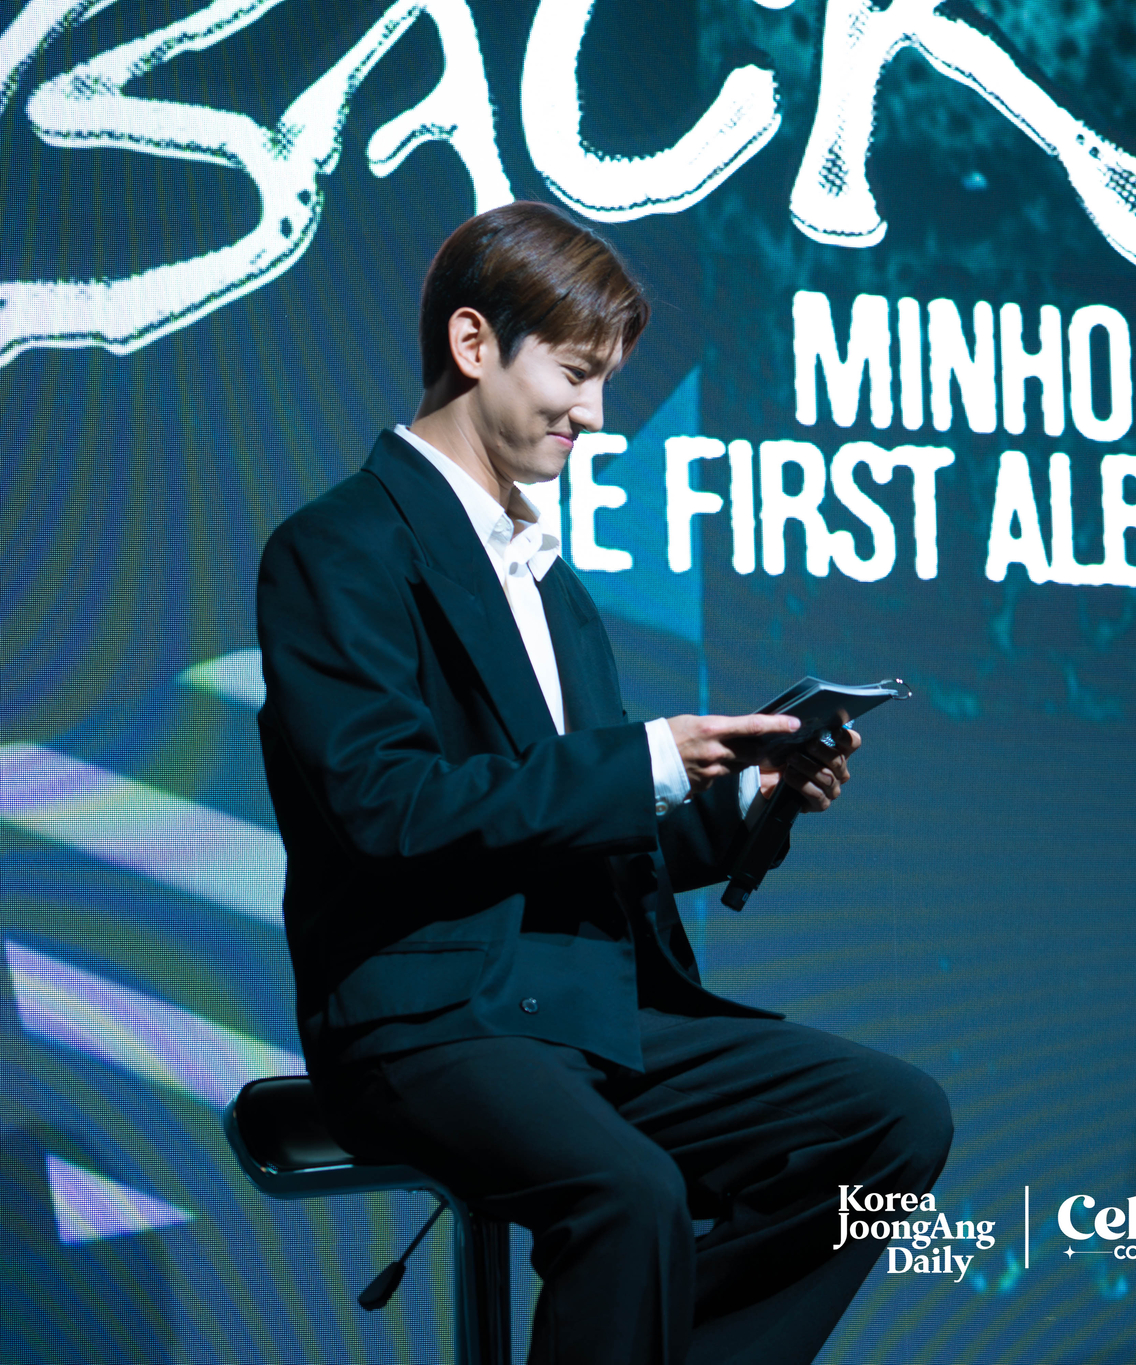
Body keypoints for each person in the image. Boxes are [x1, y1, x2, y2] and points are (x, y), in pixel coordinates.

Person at [255, 201, 951, 1365]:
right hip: (431, 1019)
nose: (593, 412)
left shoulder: (552, 584)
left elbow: (580, 828)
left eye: (606, 380)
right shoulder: (338, 548)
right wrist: (643, 762)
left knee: (889, 1124)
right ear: (474, 346)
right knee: (630, 1196)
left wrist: (737, 801)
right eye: (576, 374)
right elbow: (387, 806)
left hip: (590, 1007)